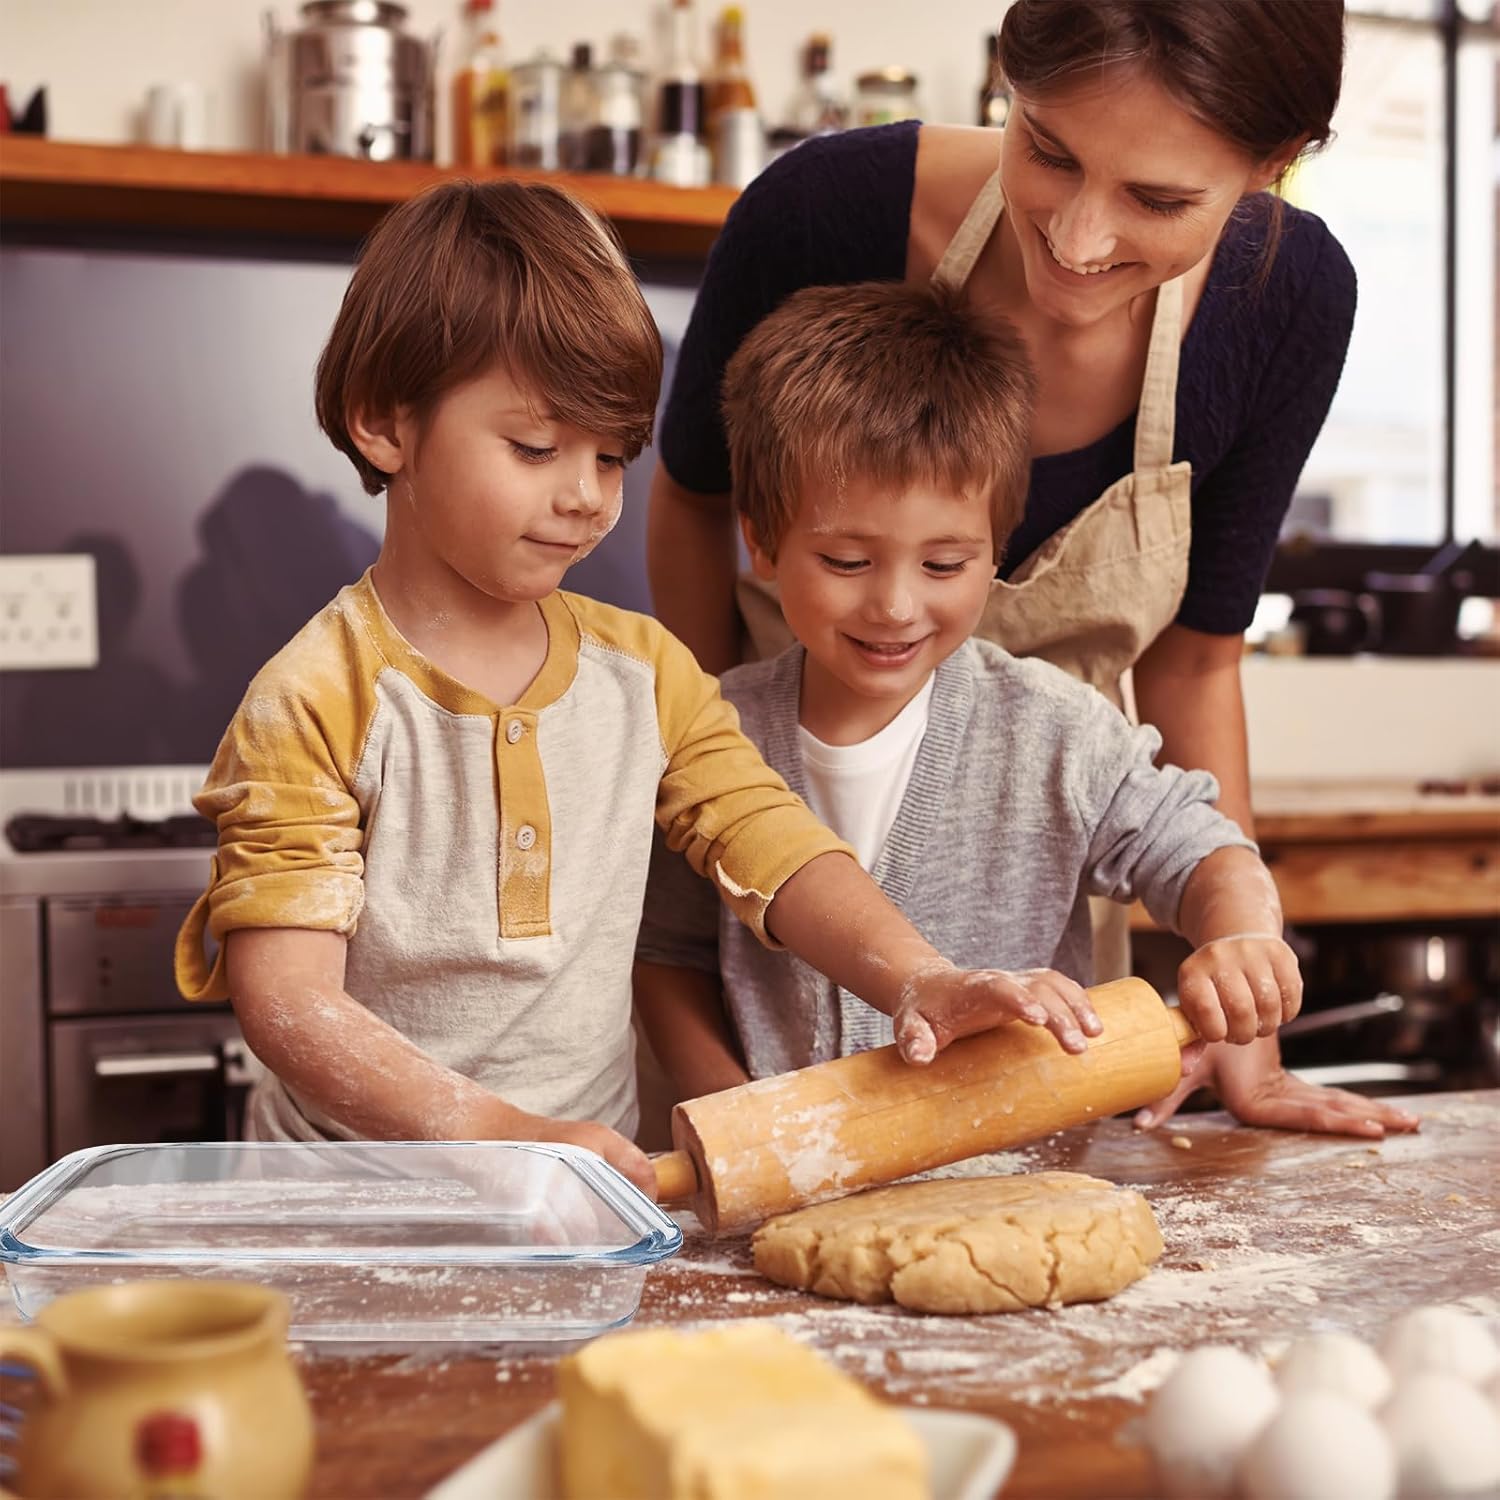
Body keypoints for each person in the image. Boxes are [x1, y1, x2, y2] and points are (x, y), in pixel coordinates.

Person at [174, 179, 1135, 1199]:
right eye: (537, 448)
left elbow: (778, 844)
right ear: (385, 423)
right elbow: (286, 1003)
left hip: (576, 1203)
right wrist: (499, 1136)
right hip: (345, 1208)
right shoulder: (318, 698)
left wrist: (919, 977)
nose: (585, 493)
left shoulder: (645, 673)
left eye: (610, 455)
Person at [645, 0, 1417, 1139]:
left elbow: (1198, 668)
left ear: (1275, 165)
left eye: (1157, 199)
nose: (1079, 238)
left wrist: (1245, 1025)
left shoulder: (1287, 302)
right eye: (1047, 149)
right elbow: (695, 502)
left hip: (1032, 986)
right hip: (757, 973)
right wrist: (724, 780)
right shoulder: (819, 214)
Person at [636, 279, 1311, 1101]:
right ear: (765, 544)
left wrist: (1240, 935)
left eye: (944, 564)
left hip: (1025, 1187)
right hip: (782, 1201)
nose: (894, 605)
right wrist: (744, 1120)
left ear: (997, 551)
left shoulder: (1053, 731)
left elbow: (1204, 851)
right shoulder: (712, 738)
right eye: (847, 562)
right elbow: (666, 956)